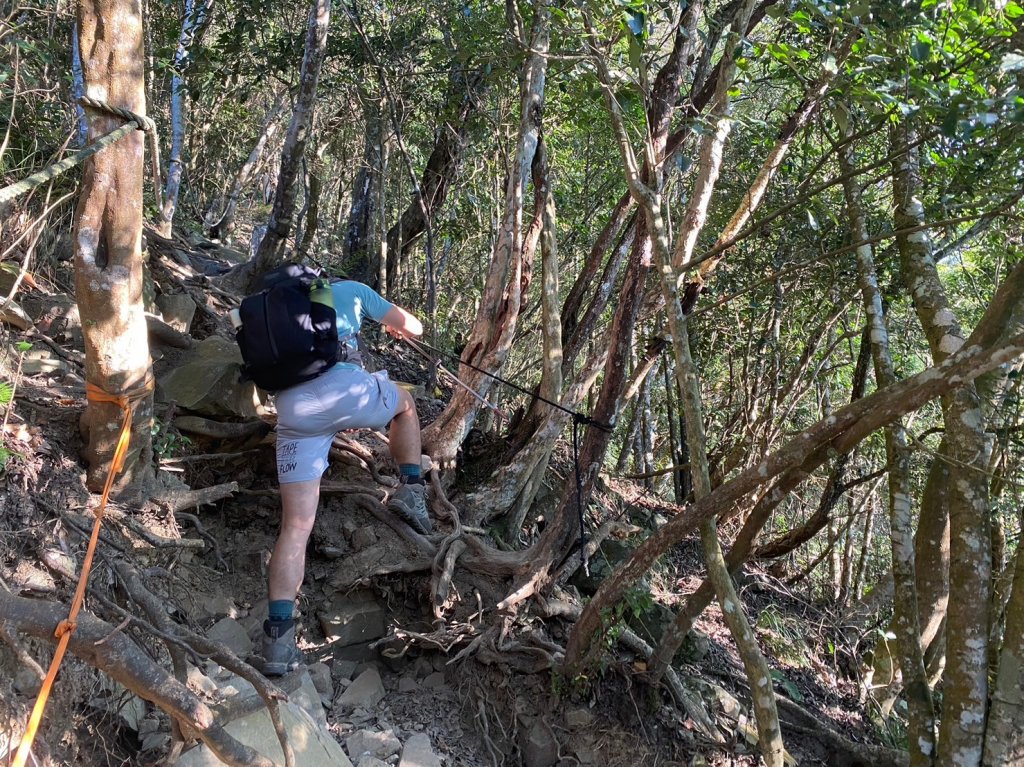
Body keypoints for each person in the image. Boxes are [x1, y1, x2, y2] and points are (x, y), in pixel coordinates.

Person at [260, 278, 430, 676]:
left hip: (292, 406)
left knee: (295, 528)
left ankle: (278, 642)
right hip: (344, 387)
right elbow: (415, 326)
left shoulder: (281, 311)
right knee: (405, 405)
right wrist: (396, 324)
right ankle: (411, 490)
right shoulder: (352, 290)